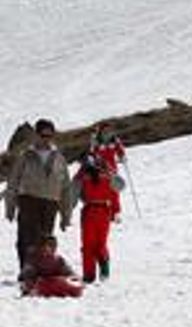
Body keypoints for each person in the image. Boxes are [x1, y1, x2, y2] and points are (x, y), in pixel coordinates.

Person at [4, 119, 73, 268]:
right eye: (43, 135)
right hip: (28, 200)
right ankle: (26, 270)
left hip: (50, 203)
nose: (46, 139)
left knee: (45, 240)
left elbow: (66, 188)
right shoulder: (26, 155)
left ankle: (40, 270)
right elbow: (13, 182)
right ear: (36, 135)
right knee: (27, 238)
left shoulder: (59, 158)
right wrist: (10, 207)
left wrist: (66, 215)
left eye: (49, 135)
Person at [72, 154, 120, 283]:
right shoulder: (83, 175)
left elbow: (117, 188)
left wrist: (116, 210)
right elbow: (74, 189)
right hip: (89, 210)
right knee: (88, 244)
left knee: (100, 243)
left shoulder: (106, 172)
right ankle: (89, 275)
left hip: (104, 210)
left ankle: (104, 266)